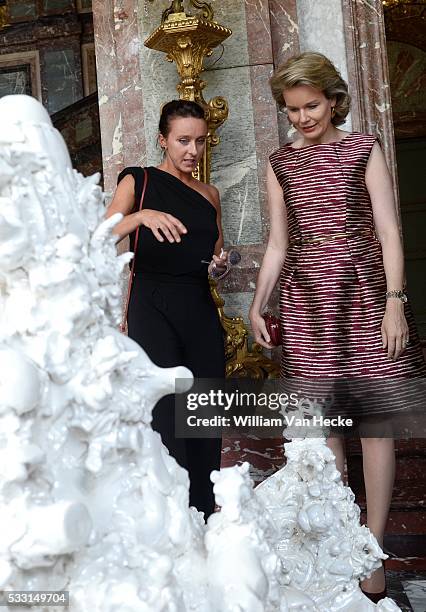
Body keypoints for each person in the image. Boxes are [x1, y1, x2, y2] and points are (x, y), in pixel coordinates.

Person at [249, 52, 425, 602]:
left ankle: (371, 551)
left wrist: (395, 302)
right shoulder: (280, 162)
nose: (302, 117)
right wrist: (259, 303)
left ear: (333, 100)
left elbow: (391, 231)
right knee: (327, 430)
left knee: (374, 425)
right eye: (292, 109)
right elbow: (279, 241)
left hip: (367, 294)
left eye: (311, 106)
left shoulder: (363, 147)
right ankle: (343, 546)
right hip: (306, 304)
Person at [106, 100, 228, 518]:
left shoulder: (209, 194)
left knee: (205, 416)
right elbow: (100, 235)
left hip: (198, 308)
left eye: (199, 141)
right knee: (168, 415)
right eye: (183, 140)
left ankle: (205, 516)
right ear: (163, 140)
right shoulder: (138, 180)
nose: (192, 150)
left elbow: (215, 254)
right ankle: (171, 521)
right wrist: (140, 216)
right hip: (151, 306)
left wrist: (221, 264)